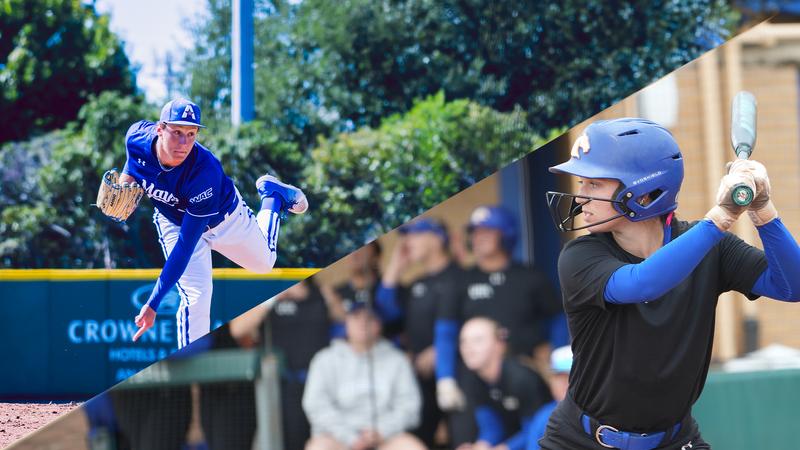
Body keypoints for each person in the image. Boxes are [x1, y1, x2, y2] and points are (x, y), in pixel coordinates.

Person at [540, 118, 800, 449]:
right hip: (584, 440)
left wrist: (763, 210)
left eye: (594, 184)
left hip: (676, 440)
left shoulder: (711, 246)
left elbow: (793, 286)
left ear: (645, 195)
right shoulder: (579, 256)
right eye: (582, 182)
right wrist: (720, 217)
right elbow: (642, 283)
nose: (580, 198)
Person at [117, 98, 308, 347]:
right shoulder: (136, 137)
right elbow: (133, 161)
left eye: (191, 134)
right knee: (196, 298)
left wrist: (153, 303)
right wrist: (125, 181)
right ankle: (192, 369)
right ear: (159, 128)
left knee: (265, 264)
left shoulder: (203, 172)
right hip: (173, 221)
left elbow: (185, 248)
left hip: (224, 220)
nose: (184, 143)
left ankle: (272, 197)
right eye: (177, 132)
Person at [434, 206, 562, 445]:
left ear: (506, 234)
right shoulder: (460, 280)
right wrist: (445, 379)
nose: (479, 237)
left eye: (488, 231)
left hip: (525, 372)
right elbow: (446, 333)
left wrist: (558, 355)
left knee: (537, 435)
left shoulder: (530, 276)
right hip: (475, 379)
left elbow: (557, 319)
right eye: (474, 232)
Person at [377, 217, 464, 446]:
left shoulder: (461, 276)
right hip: (420, 382)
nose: (407, 242)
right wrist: (396, 265)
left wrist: (441, 351)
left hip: (459, 377)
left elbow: (476, 324)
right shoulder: (416, 284)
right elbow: (383, 312)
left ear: (436, 239)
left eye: (415, 235)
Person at [302, 298, 425, 450]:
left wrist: (381, 431)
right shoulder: (324, 359)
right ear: (346, 322)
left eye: (369, 318)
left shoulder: (397, 360)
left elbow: (409, 406)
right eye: (356, 317)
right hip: (337, 437)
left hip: (385, 437)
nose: (362, 323)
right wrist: (350, 438)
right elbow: (316, 405)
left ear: (379, 324)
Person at [456, 317, 552, 450]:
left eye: (477, 340)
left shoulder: (522, 378)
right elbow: (490, 426)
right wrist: (481, 446)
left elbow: (537, 430)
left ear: (499, 344)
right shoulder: (474, 379)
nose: (468, 348)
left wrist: (505, 447)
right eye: (463, 341)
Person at [526, 345, 572, 450]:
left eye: (569, 377)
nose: (563, 383)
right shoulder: (544, 415)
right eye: (558, 377)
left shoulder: (594, 414)